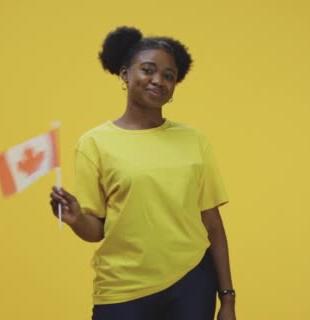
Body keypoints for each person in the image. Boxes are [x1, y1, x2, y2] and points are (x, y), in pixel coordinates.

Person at [49, 26, 237, 320]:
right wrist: (75, 219)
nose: (158, 80)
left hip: (191, 281)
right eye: (148, 70)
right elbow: (96, 230)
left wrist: (227, 299)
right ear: (125, 75)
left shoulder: (194, 140)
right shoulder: (93, 143)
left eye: (168, 75)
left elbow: (212, 223)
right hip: (123, 288)